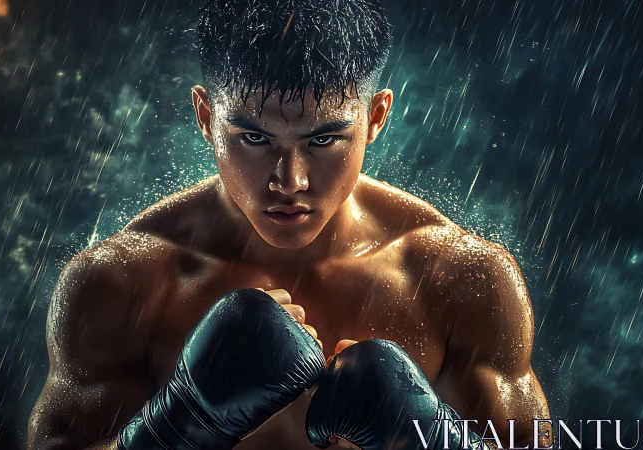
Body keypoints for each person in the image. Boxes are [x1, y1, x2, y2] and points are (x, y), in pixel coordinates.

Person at [27, 0, 552, 448]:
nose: (290, 180)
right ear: (206, 117)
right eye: (255, 139)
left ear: (375, 117)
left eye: (322, 140)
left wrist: (429, 438)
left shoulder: (459, 279)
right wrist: (181, 424)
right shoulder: (120, 284)